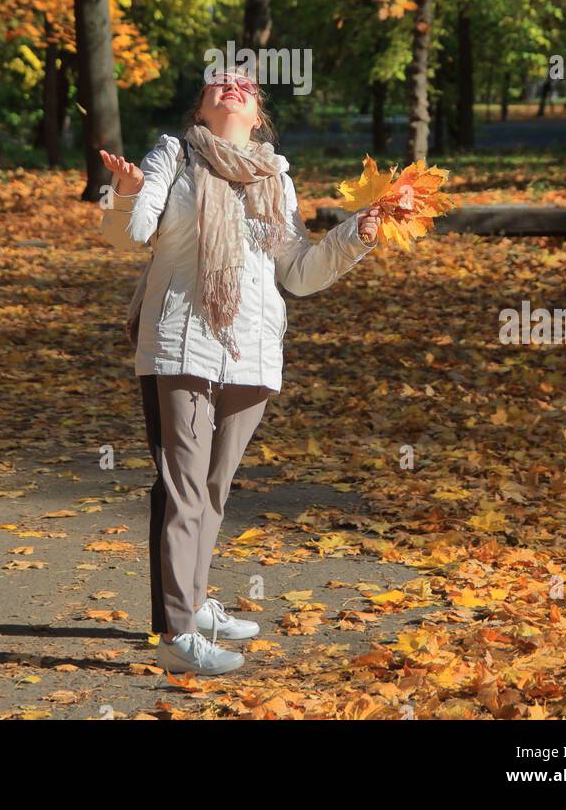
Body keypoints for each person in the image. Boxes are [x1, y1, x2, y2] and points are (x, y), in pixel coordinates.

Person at [100, 70, 381, 677]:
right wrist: (125, 191)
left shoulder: (275, 177)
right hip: (181, 342)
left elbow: (298, 272)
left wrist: (353, 237)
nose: (232, 87)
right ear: (202, 108)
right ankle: (176, 634)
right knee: (183, 486)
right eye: (218, 83)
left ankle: (195, 603)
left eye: (245, 86)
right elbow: (132, 234)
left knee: (214, 489)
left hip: (252, 350)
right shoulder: (174, 154)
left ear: (259, 115)